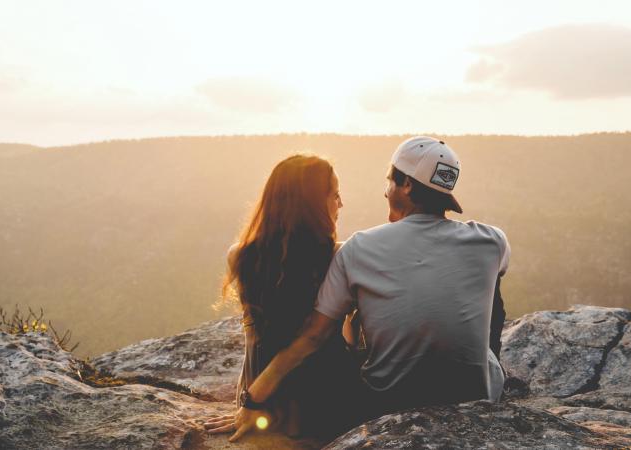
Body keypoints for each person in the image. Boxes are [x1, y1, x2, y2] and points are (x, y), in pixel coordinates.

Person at [220, 136, 511, 442]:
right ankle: (476, 367)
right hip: (476, 396)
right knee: (492, 282)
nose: (385, 190)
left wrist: (254, 396)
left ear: (407, 186)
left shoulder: (360, 248)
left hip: (386, 400)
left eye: (390, 181)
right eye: (336, 195)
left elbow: (312, 334)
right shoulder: (492, 241)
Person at [204, 154, 357, 439]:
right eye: (335, 195)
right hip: (329, 399)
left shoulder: (240, 256)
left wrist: (249, 401)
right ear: (312, 205)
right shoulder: (340, 256)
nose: (341, 204)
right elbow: (315, 339)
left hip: (272, 403)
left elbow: (253, 339)